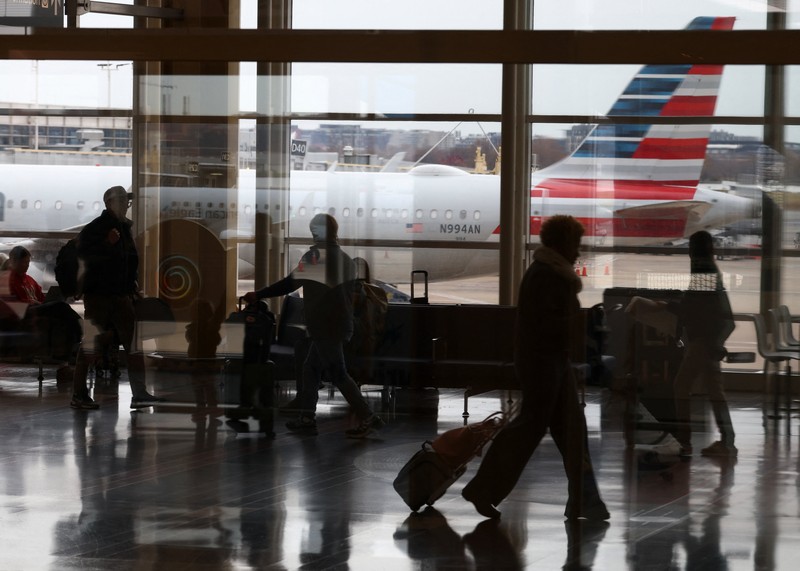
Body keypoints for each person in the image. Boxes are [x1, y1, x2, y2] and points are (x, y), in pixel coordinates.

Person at [461, 215, 609, 521]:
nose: (578, 252)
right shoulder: (550, 276)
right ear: (564, 244)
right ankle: (485, 488)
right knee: (543, 428)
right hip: (546, 362)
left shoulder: (545, 272)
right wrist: (582, 323)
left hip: (546, 361)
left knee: (561, 429)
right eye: (576, 244)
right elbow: (549, 326)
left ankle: (584, 500)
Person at [243, 213, 384, 438]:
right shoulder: (346, 259)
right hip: (340, 325)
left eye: (314, 230)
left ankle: (367, 416)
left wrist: (259, 294)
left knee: (338, 374)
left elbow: (289, 283)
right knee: (310, 368)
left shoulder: (317, 258)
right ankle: (307, 417)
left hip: (325, 327)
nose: (312, 234)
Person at [69, 186, 162, 410]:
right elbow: (83, 258)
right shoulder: (97, 229)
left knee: (131, 344)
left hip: (120, 296)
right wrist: (106, 244)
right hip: (100, 297)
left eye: (127, 202)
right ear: (110, 203)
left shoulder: (121, 228)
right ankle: (79, 394)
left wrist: (132, 284)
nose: (126, 205)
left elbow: (127, 261)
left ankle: (139, 393)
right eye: (122, 201)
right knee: (93, 344)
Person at [670, 230, 737, 457]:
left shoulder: (701, 269)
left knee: (681, 386)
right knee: (714, 390)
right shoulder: (710, 268)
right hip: (711, 338)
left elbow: (695, 307)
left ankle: (685, 440)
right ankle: (727, 440)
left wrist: (672, 308)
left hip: (703, 340)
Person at [3, 245, 82, 362]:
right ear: (14, 261)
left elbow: (41, 297)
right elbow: (10, 304)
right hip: (25, 311)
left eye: (28, 262)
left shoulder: (29, 279)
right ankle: (81, 330)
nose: (27, 265)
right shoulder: (8, 280)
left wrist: (43, 302)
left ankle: (75, 340)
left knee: (60, 310)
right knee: (61, 307)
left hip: (35, 308)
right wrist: (32, 303)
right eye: (24, 262)